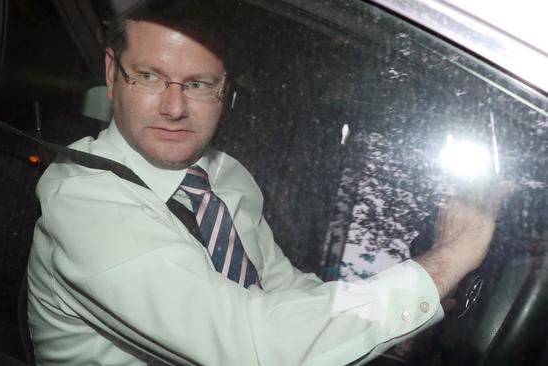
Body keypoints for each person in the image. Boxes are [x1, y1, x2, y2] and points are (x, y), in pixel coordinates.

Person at [26, 1, 512, 365]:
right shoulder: (85, 199)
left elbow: (284, 294)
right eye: (150, 77)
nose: (174, 108)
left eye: (197, 84)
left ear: (224, 92)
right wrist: (448, 259)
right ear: (112, 75)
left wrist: (405, 317)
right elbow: (251, 346)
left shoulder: (224, 177)